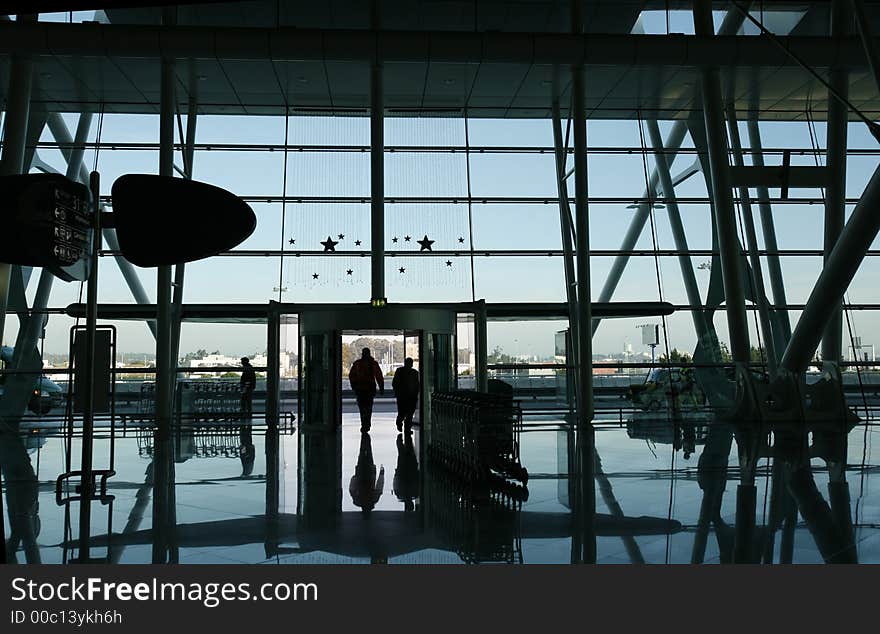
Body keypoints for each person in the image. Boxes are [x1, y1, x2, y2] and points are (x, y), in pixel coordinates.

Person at [348, 347, 384, 432]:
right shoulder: (373, 364)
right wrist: (381, 387)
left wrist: (354, 385)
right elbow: (379, 376)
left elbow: (351, 375)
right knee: (368, 407)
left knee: (362, 407)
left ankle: (364, 424)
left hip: (360, 389)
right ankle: (367, 423)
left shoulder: (357, 364)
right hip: (370, 388)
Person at [349, 432, 384, 515]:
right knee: (362, 453)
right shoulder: (357, 501)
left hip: (368, 474)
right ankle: (365, 437)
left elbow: (379, 486)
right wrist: (354, 478)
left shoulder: (373, 500)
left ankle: (366, 437)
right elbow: (352, 489)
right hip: (361, 474)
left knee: (368, 452)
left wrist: (381, 474)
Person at [392, 357, 419, 432]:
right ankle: (405, 426)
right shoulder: (415, 373)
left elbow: (395, 383)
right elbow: (417, 384)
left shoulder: (400, 371)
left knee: (404, 412)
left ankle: (403, 425)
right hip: (408, 396)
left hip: (404, 396)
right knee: (407, 413)